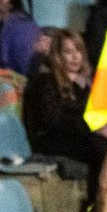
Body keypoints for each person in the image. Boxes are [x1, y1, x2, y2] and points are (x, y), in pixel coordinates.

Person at [24, 28, 100, 180]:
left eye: (78, 50)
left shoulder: (84, 84)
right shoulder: (46, 81)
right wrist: (92, 125)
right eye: (68, 52)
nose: (75, 57)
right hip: (51, 142)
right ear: (58, 56)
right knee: (97, 145)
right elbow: (53, 120)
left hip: (78, 138)